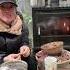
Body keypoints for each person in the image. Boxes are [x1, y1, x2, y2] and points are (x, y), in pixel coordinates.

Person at [0, 0, 37, 70]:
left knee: (32, 60)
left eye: (11, 7)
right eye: (2, 7)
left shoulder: (20, 23)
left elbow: (25, 41)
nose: (7, 11)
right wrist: (4, 59)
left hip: (19, 61)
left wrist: (25, 47)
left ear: (15, 10)